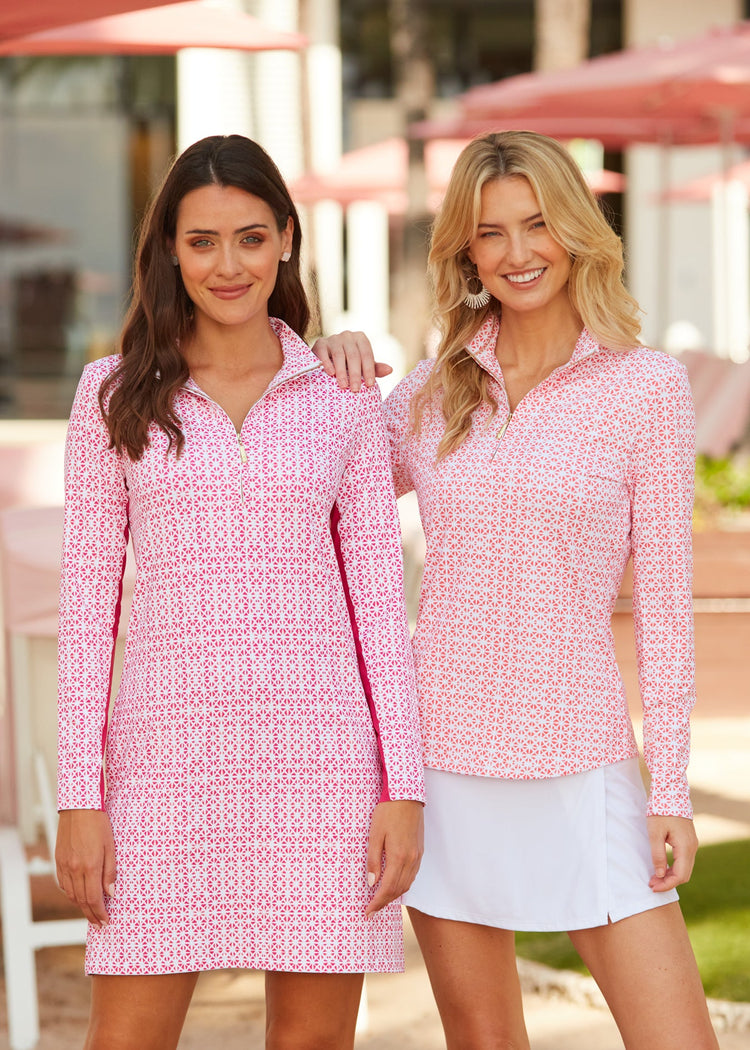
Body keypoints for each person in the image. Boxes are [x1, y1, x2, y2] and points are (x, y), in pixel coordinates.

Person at [313, 130, 719, 1050]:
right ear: (467, 250)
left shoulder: (644, 388)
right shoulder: (437, 389)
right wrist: (323, 360)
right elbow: (322, 481)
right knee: (486, 1042)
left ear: (576, 230)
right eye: (491, 234)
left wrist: (672, 795)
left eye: (537, 225)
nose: (518, 252)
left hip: (581, 759)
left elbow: (663, 605)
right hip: (441, 763)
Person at [55, 134, 425, 1050]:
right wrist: (79, 796)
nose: (229, 265)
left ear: (288, 240)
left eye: (252, 238)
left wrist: (402, 788)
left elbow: (380, 602)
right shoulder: (112, 395)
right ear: (170, 253)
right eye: (204, 241)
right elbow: (86, 612)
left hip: (324, 768)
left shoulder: (339, 398)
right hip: (160, 769)